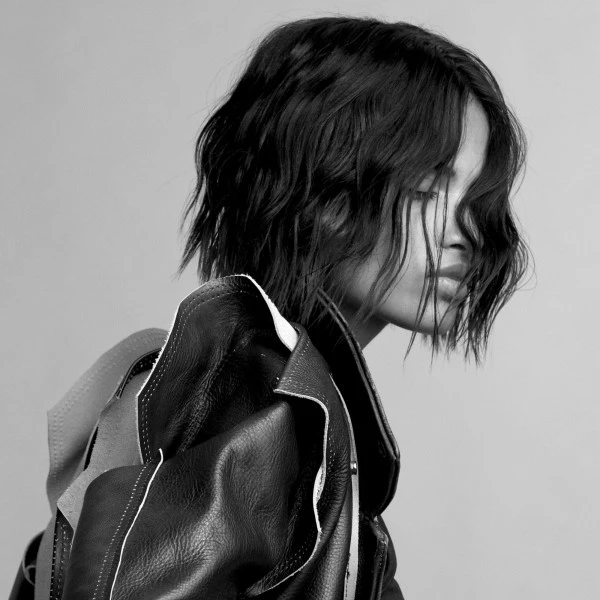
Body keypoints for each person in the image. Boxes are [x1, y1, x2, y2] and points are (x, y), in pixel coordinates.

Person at [10, 15, 529, 600]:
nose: (469, 232)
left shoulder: (286, 397)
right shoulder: (263, 405)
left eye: (477, 196)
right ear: (325, 190)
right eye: (427, 189)